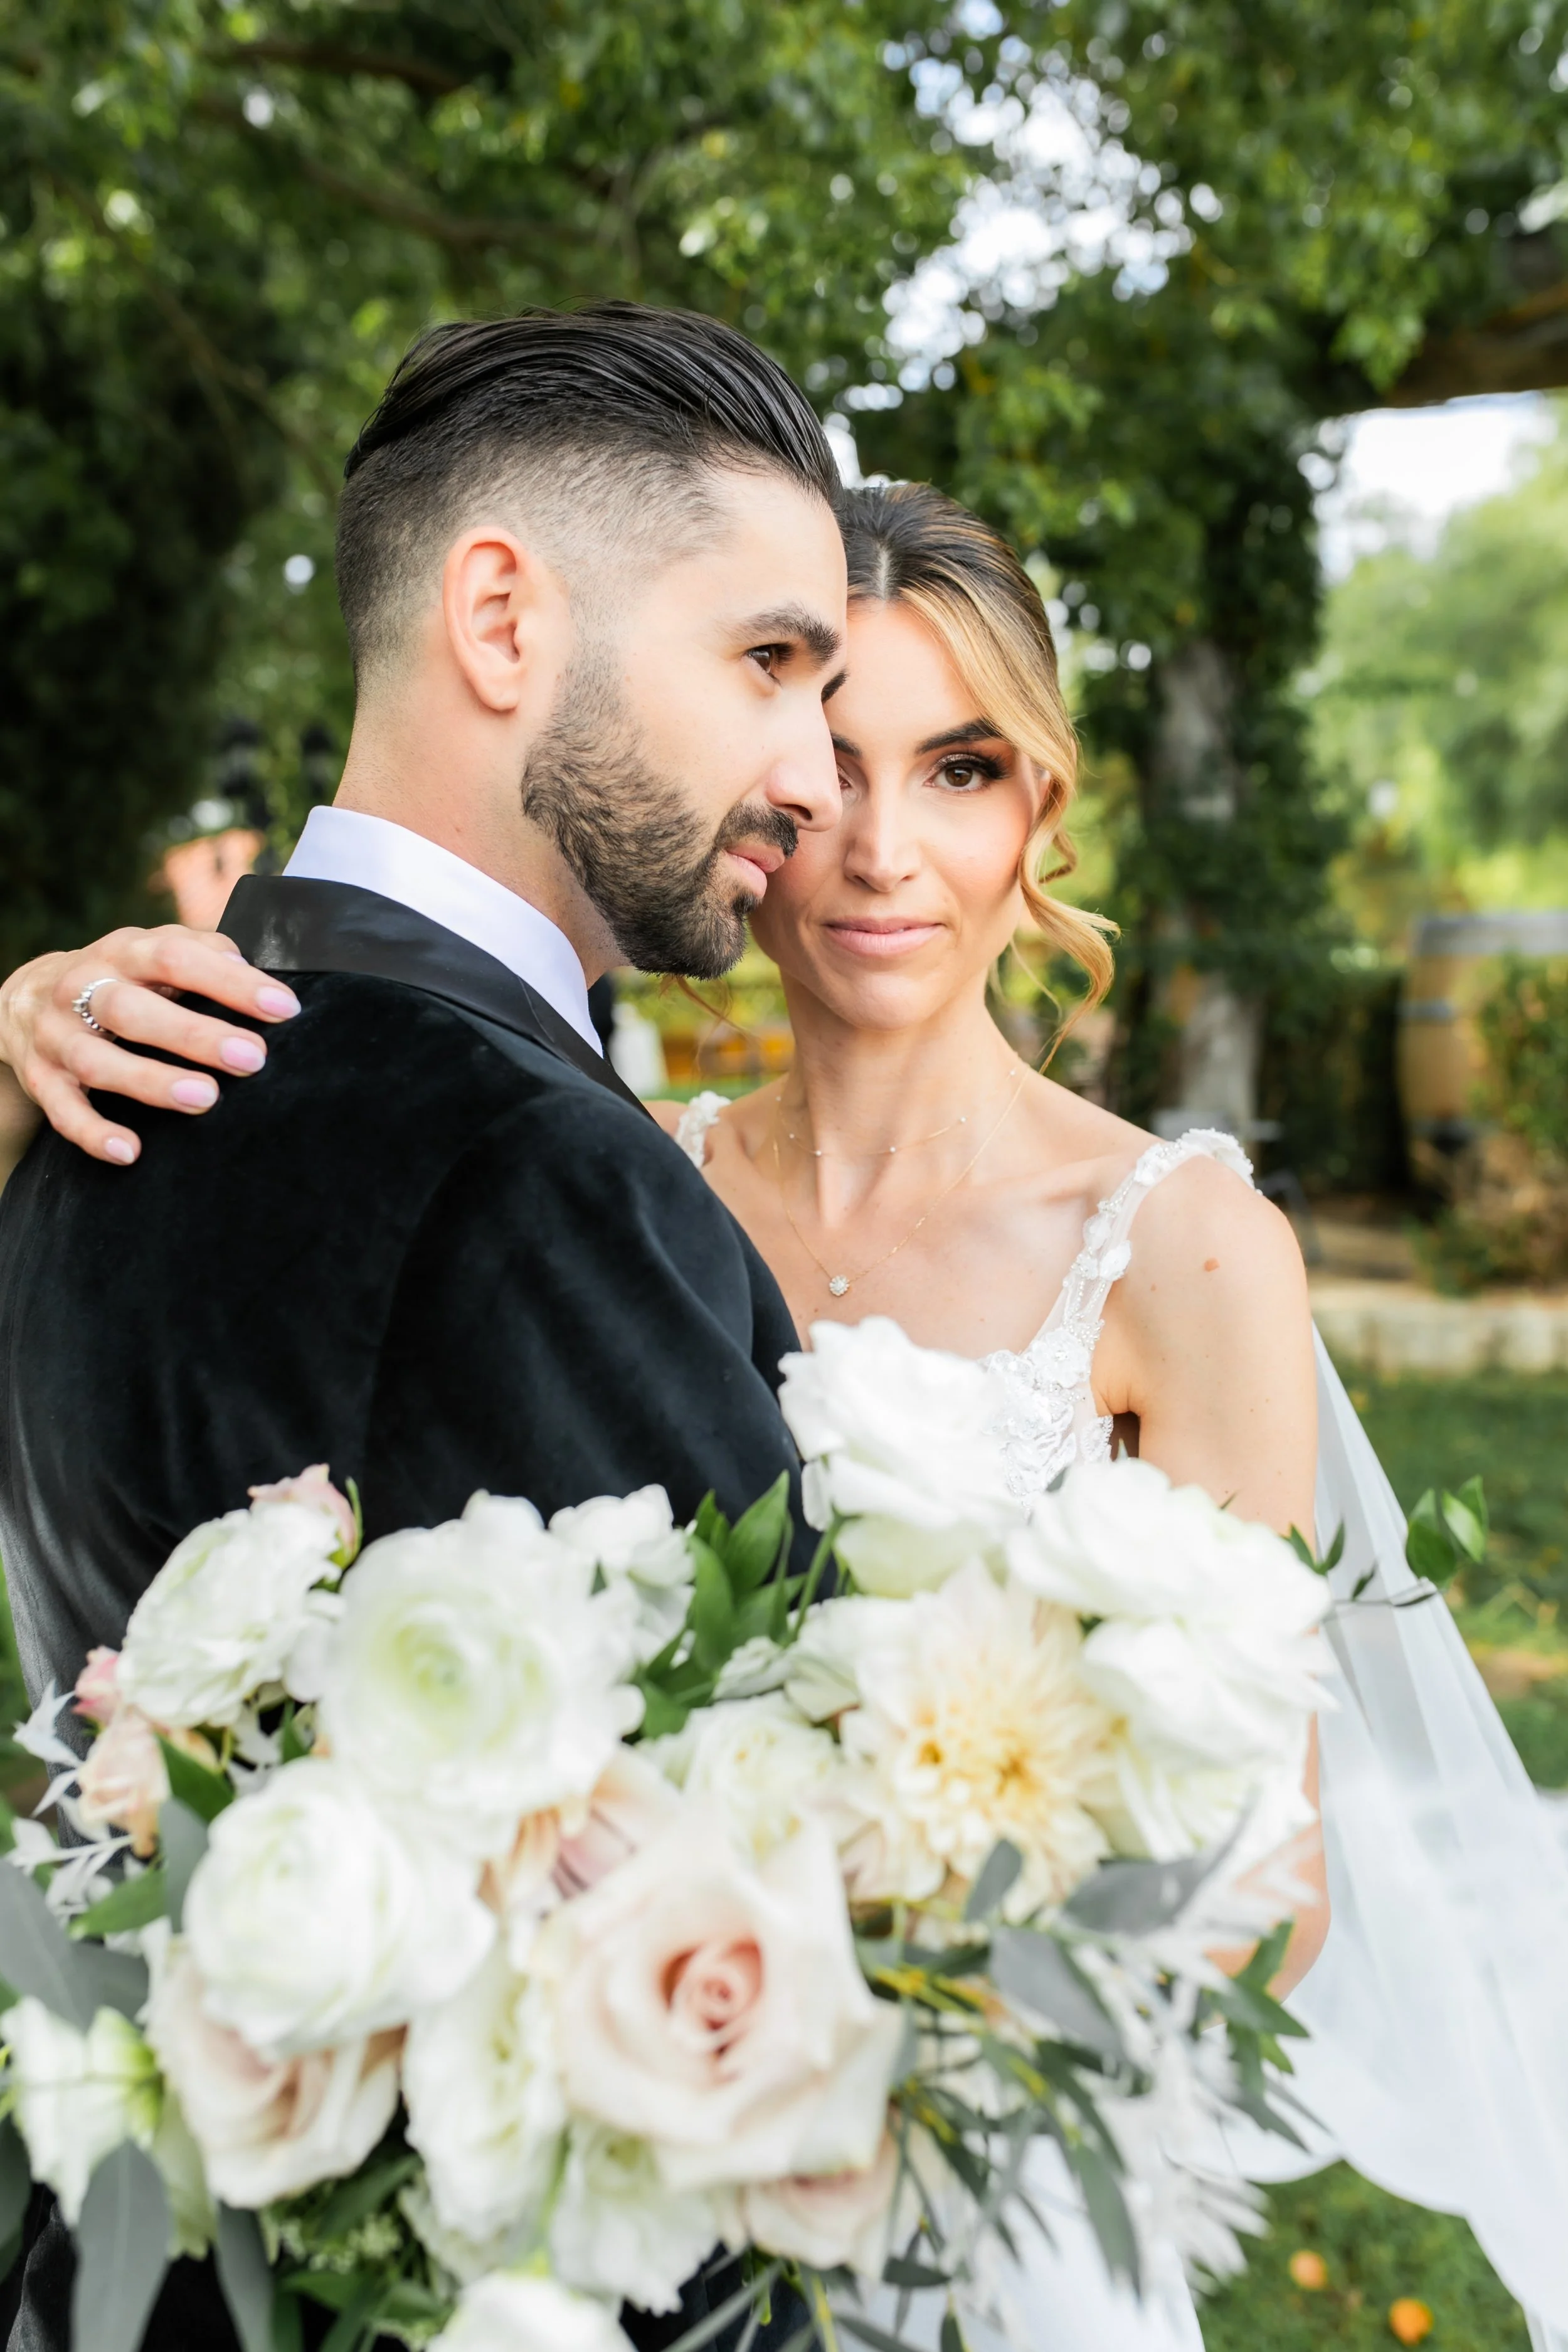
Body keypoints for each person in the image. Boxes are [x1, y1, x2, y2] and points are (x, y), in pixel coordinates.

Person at [7, 485, 1568, 2348]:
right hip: (604, 2184)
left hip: (972, 2195)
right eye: (831, 764)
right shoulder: (599, 1187)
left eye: (963, 768)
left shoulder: (1181, 1245)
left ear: (1038, 814)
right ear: (753, 795)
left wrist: (886, 2025)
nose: (884, 846)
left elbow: (1277, 1878)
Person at [0, 300, 855, 2352]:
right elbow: (726, 1952)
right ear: (501, 618)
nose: (815, 777)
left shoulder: (112, 1076)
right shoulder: (524, 1158)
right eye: (768, 662)